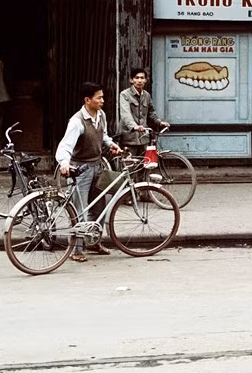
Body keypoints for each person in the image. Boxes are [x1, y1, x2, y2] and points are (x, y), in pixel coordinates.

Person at [56, 82, 122, 262]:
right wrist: (64, 163)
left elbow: (104, 135)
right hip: (81, 170)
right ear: (87, 100)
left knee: (99, 206)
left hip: (98, 166)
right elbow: (65, 146)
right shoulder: (77, 121)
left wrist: (110, 144)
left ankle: (93, 242)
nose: (102, 100)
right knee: (79, 210)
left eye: (102, 97)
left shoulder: (101, 115)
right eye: (99, 97)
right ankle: (75, 249)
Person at [118, 68, 169, 159]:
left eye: (142, 78)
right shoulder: (125, 94)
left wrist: (159, 122)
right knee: (130, 166)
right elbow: (125, 114)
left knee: (144, 166)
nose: (139, 80)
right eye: (137, 78)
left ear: (145, 80)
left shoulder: (147, 95)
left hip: (144, 137)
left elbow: (151, 112)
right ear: (131, 80)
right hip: (129, 137)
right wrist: (134, 126)